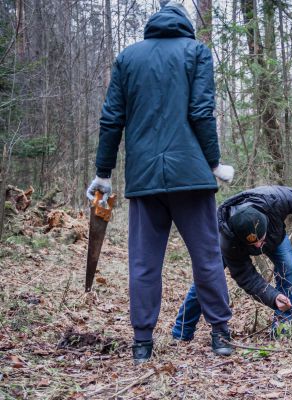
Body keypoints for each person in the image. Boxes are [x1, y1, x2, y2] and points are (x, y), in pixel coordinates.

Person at [86, 1, 235, 364]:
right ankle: (220, 335)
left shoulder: (128, 58)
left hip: (145, 178)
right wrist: (214, 162)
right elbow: (201, 111)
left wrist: (103, 172)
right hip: (192, 177)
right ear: (185, 24)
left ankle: (142, 344)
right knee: (207, 257)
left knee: (144, 262)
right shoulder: (196, 52)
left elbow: (111, 119)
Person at [171, 186, 292, 340]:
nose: (258, 247)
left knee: (288, 267)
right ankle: (181, 332)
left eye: (259, 240)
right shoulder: (227, 239)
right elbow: (246, 277)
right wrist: (272, 297)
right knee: (206, 280)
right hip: (233, 244)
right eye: (253, 243)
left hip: (275, 236)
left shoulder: (276, 199)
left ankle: (283, 329)